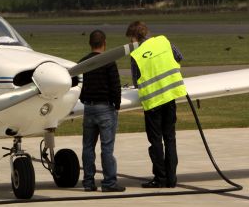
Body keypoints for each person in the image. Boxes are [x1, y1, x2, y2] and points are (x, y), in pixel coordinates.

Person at [126, 21, 186, 188]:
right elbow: (179, 57)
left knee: (156, 141)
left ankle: (160, 178)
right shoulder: (164, 42)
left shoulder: (137, 54)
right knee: (170, 139)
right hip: (170, 97)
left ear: (134, 37)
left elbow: (136, 81)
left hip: (153, 102)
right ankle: (172, 179)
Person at [79, 30, 125, 192]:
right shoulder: (109, 62)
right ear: (104, 43)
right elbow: (115, 85)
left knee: (88, 147)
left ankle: (88, 182)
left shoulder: (83, 62)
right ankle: (109, 183)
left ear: (90, 43)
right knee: (107, 147)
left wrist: (84, 99)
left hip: (89, 108)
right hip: (105, 108)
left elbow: (81, 85)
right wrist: (117, 105)